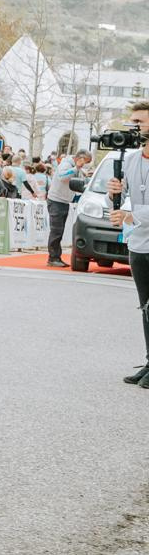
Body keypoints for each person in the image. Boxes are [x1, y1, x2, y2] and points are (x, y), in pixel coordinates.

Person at [108, 105, 149, 386]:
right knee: (145, 306)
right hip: (139, 244)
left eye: (139, 121)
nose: (132, 126)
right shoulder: (131, 160)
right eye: (131, 121)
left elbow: (136, 210)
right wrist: (115, 195)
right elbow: (127, 203)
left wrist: (132, 215)